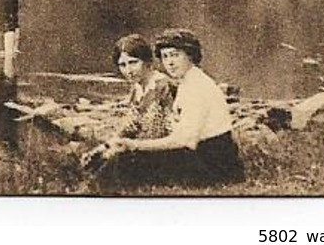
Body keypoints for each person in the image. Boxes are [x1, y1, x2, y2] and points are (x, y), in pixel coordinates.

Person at [100, 28, 246, 188]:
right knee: (124, 159)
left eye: (175, 55)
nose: (169, 62)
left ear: (190, 55)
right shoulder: (187, 81)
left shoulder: (196, 86)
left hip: (213, 163)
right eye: (165, 56)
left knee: (127, 159)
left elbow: (187, 141)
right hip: (203, 154)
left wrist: (134, 145)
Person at [111, 33, 176, 140]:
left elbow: (171, 130)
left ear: (147, 61)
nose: (128, 71)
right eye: (123, 65)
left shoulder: (164, 86)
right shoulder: (137, 86)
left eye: (133, 62)